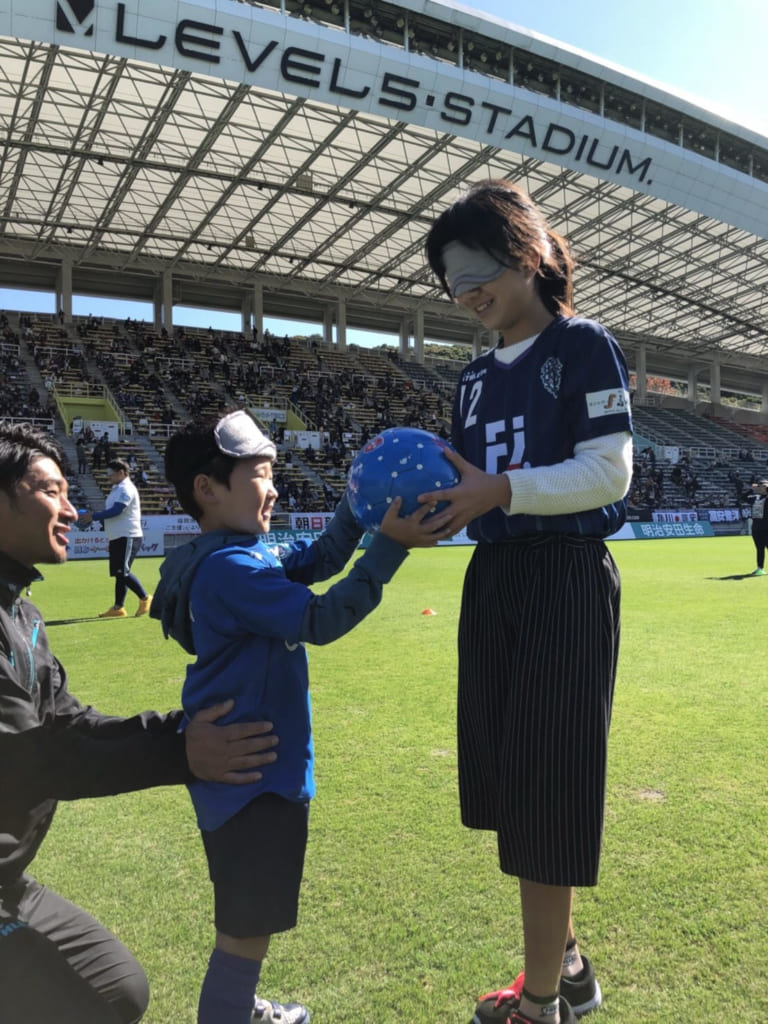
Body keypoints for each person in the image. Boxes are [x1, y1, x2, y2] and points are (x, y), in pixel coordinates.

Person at [151, 410, 451, 1024]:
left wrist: (358, 505)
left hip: (250, 775)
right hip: (254, 778)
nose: (275, 488)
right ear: (207, 489)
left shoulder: (235, 551)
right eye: (260, 475)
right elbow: (320, 618)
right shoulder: (230, 569)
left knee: (248, 918)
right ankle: (231, 1012)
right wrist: (389, 547)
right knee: (243, 930)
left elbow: (314, 559)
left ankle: (243, 1006)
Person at [420, 180, 633, 1024]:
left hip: (565, 579)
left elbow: (610, 473)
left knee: (547, 794)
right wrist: (435, 506)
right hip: (497, 581)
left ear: (527, 253)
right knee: (514, 790)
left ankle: (541, 1003)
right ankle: (570, 968)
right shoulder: (472, 379)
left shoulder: (582, 344)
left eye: (476, 270)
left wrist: (496, 491)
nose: (466, 292)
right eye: (450, 280)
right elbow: (472, 490)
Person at [0, 420, 282, 1024]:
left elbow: (69, 724)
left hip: (7, 883)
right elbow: (26, 758)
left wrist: (186, 731)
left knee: (115, 991)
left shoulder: (21, 613)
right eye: (50, 492)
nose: (72, 511)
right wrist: (181, 754)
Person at [79, 458, 151, 617]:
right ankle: (118, 608)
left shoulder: (126, 489)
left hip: (128, 535)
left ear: (122, 473)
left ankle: (145, 598)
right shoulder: (116, 488)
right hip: (118, 536)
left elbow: (117, 510)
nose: (108, 477)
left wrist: (94, 516)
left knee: (123, 572)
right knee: (120, 573)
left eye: (110, 474)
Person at [746, 478, 768, 575]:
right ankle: (760, 568)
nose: (760, 487)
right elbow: (743, 497)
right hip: (756, 527)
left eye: (762, 486)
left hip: (766, 527)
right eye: (759, 485)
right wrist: (751, 489)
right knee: (759, 548)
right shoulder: (756, 497)